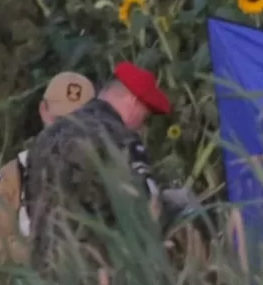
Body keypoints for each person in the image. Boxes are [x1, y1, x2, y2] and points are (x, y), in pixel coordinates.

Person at [20, 60, 171, 268]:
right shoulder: (119, 137)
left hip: (48, 275)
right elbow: (146, 211)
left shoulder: (47, 136)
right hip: (99, 276)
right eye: (146, 116)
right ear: (135, 102)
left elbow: (30, 201)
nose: (142, 125)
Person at [0, 71, 93, 264]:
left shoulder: (110, 173)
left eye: (77, 124)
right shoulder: (15, 174)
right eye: (59, 122)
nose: (66, 132)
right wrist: (42, 255)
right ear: (43, 111)